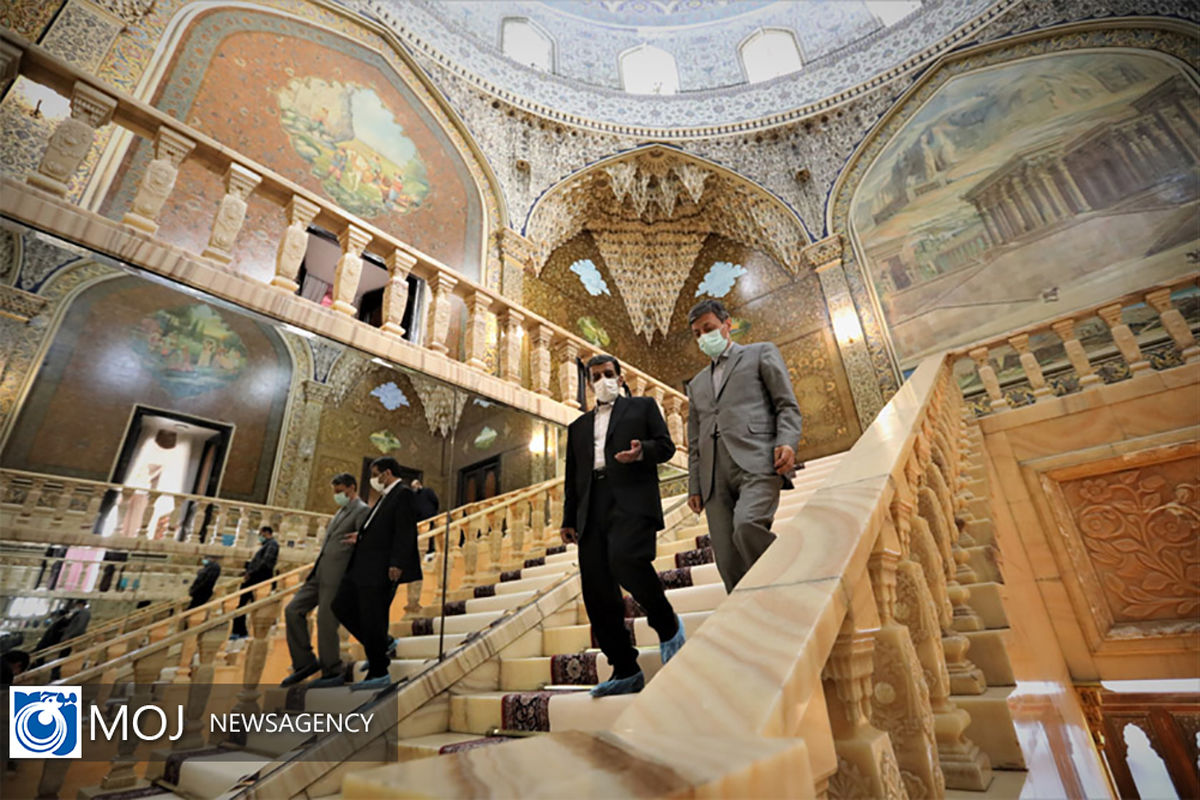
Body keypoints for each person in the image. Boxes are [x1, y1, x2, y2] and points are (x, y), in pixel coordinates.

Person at [561, 355, 686, 697]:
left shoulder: (642, 407)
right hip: (591, 507)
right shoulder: (578, 427)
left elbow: (666, 446)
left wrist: (641, 451)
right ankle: (625, 668)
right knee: (597, 589)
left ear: (620, 376)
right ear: (589, 383)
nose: (603, 380)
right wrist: (568, 518)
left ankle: (666, 623)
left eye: (609, 374)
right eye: (596, 376)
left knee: (626, 560)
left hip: (630, 499)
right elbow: (573, 477)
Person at [685, 298, 803, 593]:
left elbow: (786, 405)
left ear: (728, 325)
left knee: (747, 526)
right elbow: (694, 441)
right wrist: (694, 485)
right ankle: (752, 616)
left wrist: (787, 441)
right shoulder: (696, 384)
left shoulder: (760, 353)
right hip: (714, 477)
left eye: (708, 328)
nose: (703, 337)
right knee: (727, 559)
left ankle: (792, 582)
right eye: (697, 333)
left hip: (758, 460)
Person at [332, 456, 422, 691]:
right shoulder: (385, 497)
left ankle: (379, 671)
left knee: (373, 615)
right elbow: (381, 529)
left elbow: (404, 530)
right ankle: (382, 645)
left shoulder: (403, 493)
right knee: (340, 605)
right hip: (364, 565)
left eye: (375, 474)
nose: (373, 479)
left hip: (381, 566)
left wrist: (397, 562)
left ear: (387, 473)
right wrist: (360, 537)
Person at [281, 473, 370, 688]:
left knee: (326, 620)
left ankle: (332, 670)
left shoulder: (362, 510)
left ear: (351, 488)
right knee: (293, 610)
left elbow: (368, 538)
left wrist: (361, 538)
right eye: (335, 491)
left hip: (338, 574)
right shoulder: (340, 512)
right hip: (319, 573)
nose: (336, 495)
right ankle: (305, 663)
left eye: (339, 491)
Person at [231, 526, 279, 639]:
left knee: (245, 604)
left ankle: (241, 631)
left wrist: (251, 572)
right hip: (256, 576)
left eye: (261, 534)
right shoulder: (267, 545)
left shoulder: (272, 545)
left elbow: (266, 562)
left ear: (266, 533)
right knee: (243, 604)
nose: (260, 537)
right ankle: (240, 630)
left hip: (258, 577)